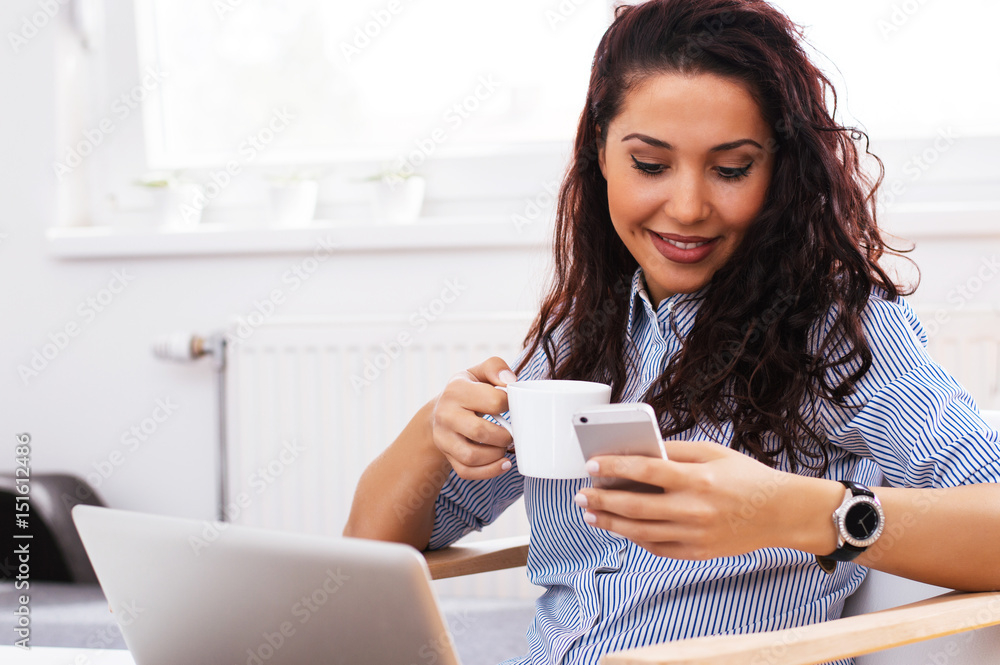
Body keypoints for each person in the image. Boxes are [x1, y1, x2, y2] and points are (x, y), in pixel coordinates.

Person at [344, 0, 1000, 663]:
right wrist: (434, 432)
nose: (687, 208)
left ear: (780, 169)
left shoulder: (837, 328)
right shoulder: (581, 336)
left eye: (732, 168)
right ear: (601, 151)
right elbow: (370, 552)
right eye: (651, 165)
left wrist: (795, 511)